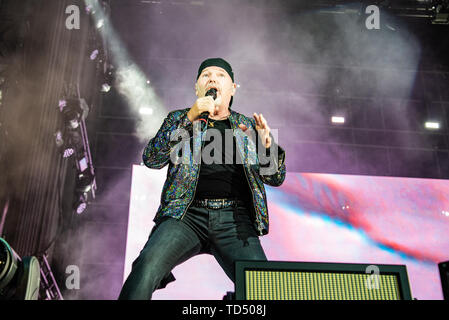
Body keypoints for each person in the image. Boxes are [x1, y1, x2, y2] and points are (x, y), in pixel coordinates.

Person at [118, 58, 286, 300]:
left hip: (234, 220)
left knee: (262, 287)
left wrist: (268, 147)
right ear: (198, 88)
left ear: (232, 89)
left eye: (220, 75)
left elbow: (276, 177)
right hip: (185, 215)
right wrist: (188, 118)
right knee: (146, 267)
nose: (212, 79)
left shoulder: (247, 126)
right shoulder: (179, 118)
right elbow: (152, 159)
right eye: (206, 75)